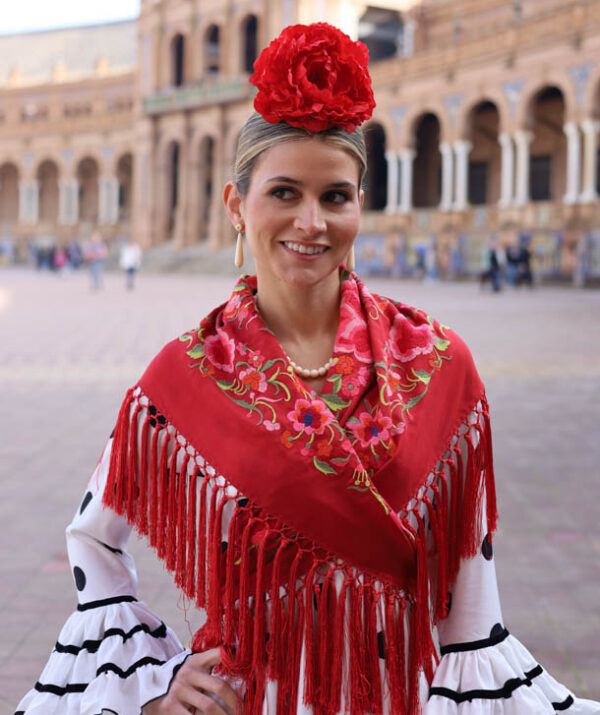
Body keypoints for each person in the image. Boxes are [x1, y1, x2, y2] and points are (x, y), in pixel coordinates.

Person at [15, 23, 600, 715]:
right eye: (285, 192)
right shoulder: (183, 376)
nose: (311, 222)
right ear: (238, 205)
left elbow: (472, 611)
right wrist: (155, 683)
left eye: (336, 196)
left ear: (361, 203)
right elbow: (91, 537)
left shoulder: (442, 367)